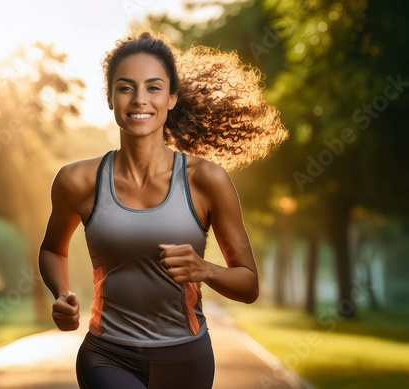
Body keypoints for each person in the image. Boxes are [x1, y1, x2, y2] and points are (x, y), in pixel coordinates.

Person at [38, 29, 288, 389]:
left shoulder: (207, 180)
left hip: (186, 360)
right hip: (107, 354)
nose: (140, 99)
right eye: (126, 87)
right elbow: (51, 249)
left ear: (172, 98)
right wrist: (62, 294)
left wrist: (203, 269)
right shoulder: (77, 180)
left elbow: (248, 285)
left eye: (153, 88)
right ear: (110, 98)